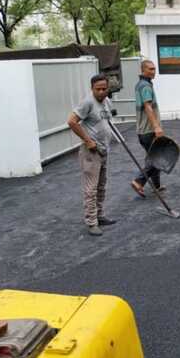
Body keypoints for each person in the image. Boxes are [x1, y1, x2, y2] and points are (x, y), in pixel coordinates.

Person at [67, 74, 117, 236]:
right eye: (98, 89)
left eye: (104, 88)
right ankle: (91, 222)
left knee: (102, 186)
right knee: (91, 189)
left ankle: (100, 216)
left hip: (104, 150)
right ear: (92, 88)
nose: (102, 92)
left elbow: (107, 121)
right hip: (91, 152)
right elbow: (71, 121)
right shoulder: (88, 102)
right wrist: (88, 141)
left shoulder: (107, 102)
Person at [130, 60, 165, 197]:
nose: (153, 71)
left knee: (152, 157)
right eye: (150, 69)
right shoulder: (145, 86)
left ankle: (156, 185)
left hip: (142, 130)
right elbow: (148, 107)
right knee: (157, 158)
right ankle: (139, 181)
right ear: (143, 70)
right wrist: (156, 127)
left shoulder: (140, 84)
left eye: (154, 69)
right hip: (149, 130)